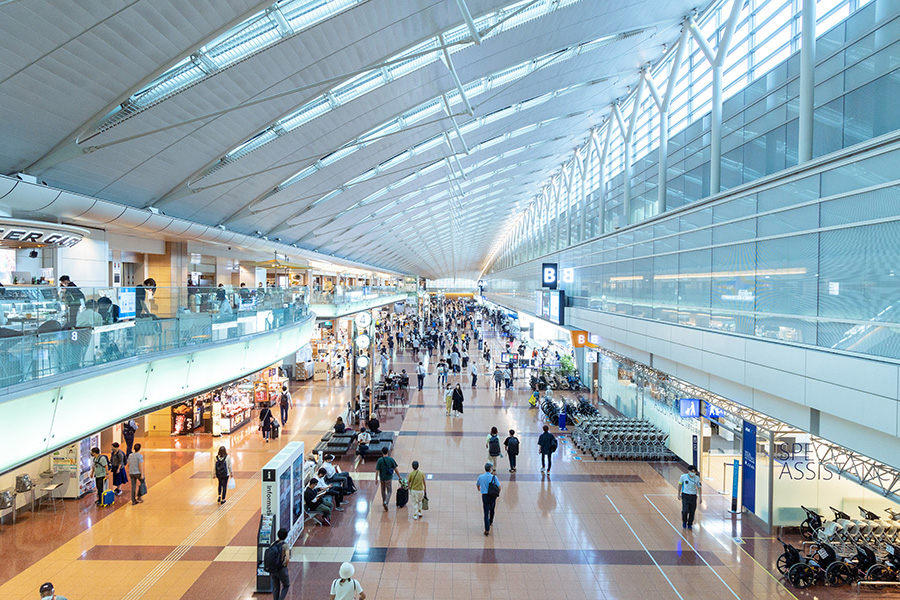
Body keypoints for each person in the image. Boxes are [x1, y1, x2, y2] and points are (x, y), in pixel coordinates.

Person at [476, 463, 500, 536]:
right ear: (490, 469)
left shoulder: (481, 477)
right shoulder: (494, 477)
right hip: (492, 496)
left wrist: (479, 489)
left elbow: (477, 484)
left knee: (486, 512)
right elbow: (499, 487)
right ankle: (490, 521)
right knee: (492, 509)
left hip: (485, 496)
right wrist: (497, 493)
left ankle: (487, 529)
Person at [375, 447, 400, 512]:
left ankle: (384, 502)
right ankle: (386, 502)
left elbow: (377, 470)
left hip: (382, 478)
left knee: (383, 490)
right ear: (388, 452)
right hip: (388, 478)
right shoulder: (391, 459)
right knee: (389, 491)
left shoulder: (380, 460)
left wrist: (376, 479)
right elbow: (395, 469)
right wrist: (399, 476)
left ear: (382, 452)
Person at [269, 527, 292, 599]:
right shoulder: (285, 545)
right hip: (281, 569)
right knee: (286, 585)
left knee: (276, 587)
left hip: (273, 569)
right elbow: (287, 559)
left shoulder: (273, 544)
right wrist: (284, 564)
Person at [678, 465, 703, 530]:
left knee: (692, 511)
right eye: (691, 471)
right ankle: (684, 521)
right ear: (688, 471)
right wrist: (678, 494)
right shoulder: (683, 477)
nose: (693, 473)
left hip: (693, 496)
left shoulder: (697, 478)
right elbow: (680, 485)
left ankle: (690, 524)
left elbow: (699, 487)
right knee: (685, 510)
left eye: (694, 472)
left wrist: (700, 497)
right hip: (685, 495)